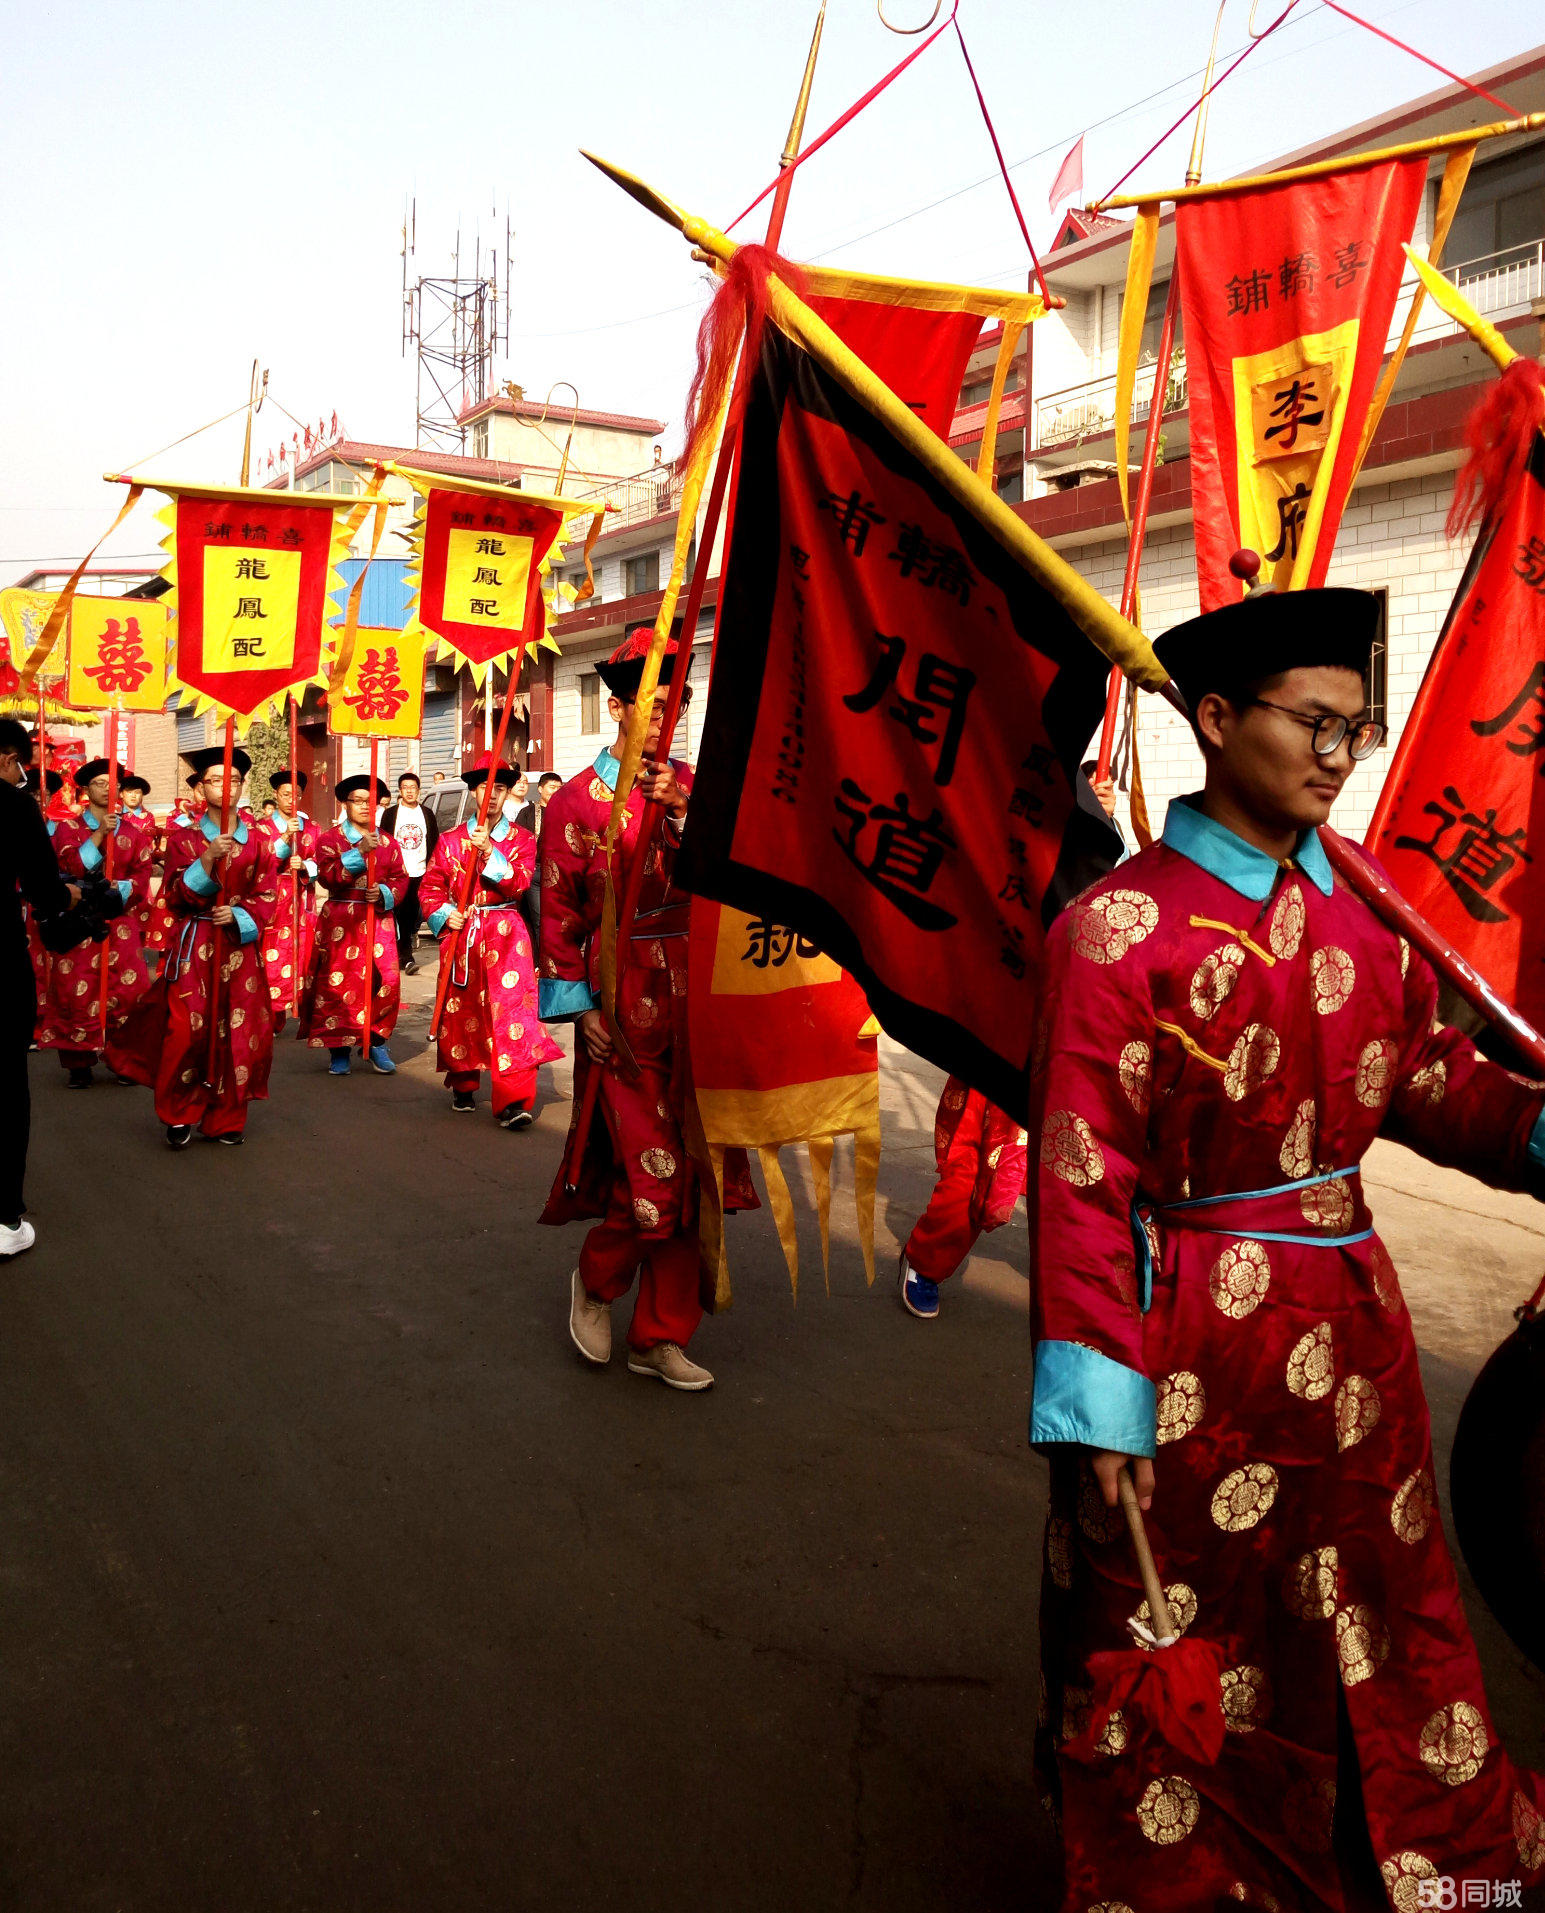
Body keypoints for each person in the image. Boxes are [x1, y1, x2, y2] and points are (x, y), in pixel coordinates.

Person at [1028, 583, 1545, 1909]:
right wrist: (1099, 1420)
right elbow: (1084, 1182)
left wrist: (1540, 1136)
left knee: (1389, 1605)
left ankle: (1429, 1869)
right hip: (1191, 1339)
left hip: (1355, 1330)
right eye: (1312, 722)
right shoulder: (1115, 931)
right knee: (1193, 1625)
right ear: (1213, 718)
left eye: (1352, 730)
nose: (1333, 755)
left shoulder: (1371, 903)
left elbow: (1427, 1080)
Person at [539, 631, 757, 1393]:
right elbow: (560, 917)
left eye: (679, 705)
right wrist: (579, 1008)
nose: (667, 721)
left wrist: (683, 808)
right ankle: (596, 1282)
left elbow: (732, 872)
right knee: (650, 1174)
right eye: (656, 705)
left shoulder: (696, 786)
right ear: (618, 707)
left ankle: (660, 1333)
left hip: (697, 996)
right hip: (624, 1001)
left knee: (698, 1174)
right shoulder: (575, 802)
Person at [898, 776, 1123, 1321]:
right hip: (997, 1043)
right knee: (969, 1177)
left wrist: (1103, 819)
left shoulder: (1103, 885)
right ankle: (926, 1260)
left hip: (1071, 1050)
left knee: (1083, 1183)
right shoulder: (1002, 863)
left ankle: (1089, 1292)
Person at [118, 744, 278, 1149]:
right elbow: (172, 896)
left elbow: (269, 894)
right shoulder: (184, 840)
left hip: (238, 949)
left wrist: (241, 917)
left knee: (239, 1031)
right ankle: (179, 1109)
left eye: (236, 781)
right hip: (195, 946)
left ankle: (226, 1117)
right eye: (216, 780)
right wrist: (206, 860)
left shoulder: (259, 841)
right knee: (186, 1031)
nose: (227, 788)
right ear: (200, 788)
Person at [419, 762, 561, 1125]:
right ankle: (464, 1084)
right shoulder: (450, 839)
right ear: (473, 792)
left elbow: (519, 883)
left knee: (516, 1013)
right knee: (463, 1010)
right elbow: (431, 887)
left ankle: (514, 1100)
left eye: (500, 787)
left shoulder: (523, 839)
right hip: (465, 932)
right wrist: (444, 913)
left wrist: (488, 853)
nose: (492, 794)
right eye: (485, 787)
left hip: (507, 933)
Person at [0, 721, 86, 1253]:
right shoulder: (13, 807)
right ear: (7, 758)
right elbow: (45, 891)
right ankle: (5, 1219)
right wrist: (72, 898)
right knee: (6, 1087)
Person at [43, 758, 154, 1087]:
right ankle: (78, 1061)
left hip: (118, 921)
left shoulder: (134, 833)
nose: (107, 788)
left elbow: (142, 876)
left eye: (113, 783)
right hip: (79, 922)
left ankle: (122, 1058)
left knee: (128, 991)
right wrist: (100, 834)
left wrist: (119, 891)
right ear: (85, 790)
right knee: (76, 989)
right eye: (99, 783)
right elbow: (72, 866)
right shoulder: (68, 829)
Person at [298, 774, 404, 1076]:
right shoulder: (330, 840)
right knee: (338, 983)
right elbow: (328, 876)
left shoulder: (389, 842)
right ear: (345, 804)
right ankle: (339, 1048)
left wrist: (384, 893)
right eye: (357, 801)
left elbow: (400, 878)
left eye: (370, 801)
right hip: (341, 917)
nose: (364, 807)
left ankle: (376, 1041)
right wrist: (358, 854)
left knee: (385, 981)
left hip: (378, 918)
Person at [256, 769, 320, 1029]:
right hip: (272, 898)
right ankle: (269, 1013)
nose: (291, 800)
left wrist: (305, 865)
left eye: (296, 795)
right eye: (285, 795)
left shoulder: (312, 829)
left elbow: (320, 863)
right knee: (269, 956)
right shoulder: (261, 828)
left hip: (299, 897)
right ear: (275, 795)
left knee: (301, 956)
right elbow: (259, 862)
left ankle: (299, 1008)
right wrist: (284, 839)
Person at [378, 772, 438, 976]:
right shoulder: (391, 814)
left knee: (415, 913)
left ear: (419, 790)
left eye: (413, 787)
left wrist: (432, 866)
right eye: (405, 787)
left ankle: (405, 944)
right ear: (400, 791)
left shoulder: (427, 814)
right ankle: (406, 955)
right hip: (397, 873)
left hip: (420, 870)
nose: (410, 791)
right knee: (400, 912)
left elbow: (434, 842)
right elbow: (383, 841)